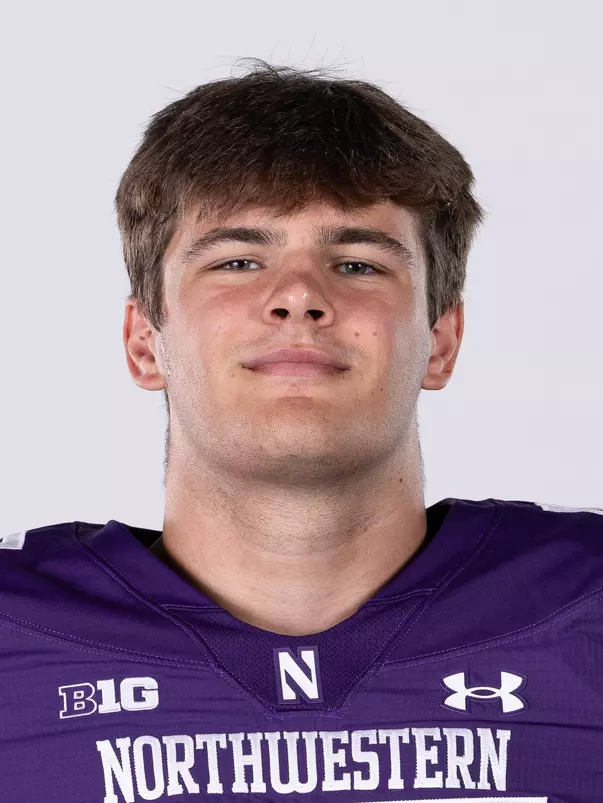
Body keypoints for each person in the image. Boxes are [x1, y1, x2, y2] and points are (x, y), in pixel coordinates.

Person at [1, 58, 601, 803]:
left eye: (357, 263)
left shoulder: (583, 609)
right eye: (238, 260)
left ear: (440, 340)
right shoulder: (17, 634)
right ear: (144, 342)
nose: (296, 296)